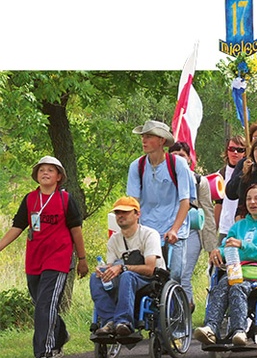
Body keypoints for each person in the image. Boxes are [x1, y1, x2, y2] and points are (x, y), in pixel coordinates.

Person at [0, 156, 88, 358]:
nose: (45, 173)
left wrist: (82, 259)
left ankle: (44, 353)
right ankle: (61, 334)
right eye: (42, 170)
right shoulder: (30, 199)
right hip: (34, 259)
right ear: (37, 176)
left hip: (58, 259)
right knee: (41, 304)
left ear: (59, 176)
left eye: (50, 170)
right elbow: (18, 226)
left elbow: (76, 230)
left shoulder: (65, 200)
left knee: (45, 305)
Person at [193, 184, 257, 346]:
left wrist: (242, 245)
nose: (252, 202)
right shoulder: (239, 225)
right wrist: (218, 251)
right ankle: (211, 328)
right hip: (235, 271)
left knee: (237, 287)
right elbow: (227, 245)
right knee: (220, 286)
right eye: (249, 199)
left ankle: (239, 330)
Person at [126, 120, 194, 284]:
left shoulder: (178, 164)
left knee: (175, 275)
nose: (144, 140)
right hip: (148, 228)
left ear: (162, 140)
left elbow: (185, 201)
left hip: (174, 228)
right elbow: (133, 202)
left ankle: (177, 307)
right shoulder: (137, 166)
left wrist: (174, 230)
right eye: (143, 136)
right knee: (149, 275)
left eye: (149, 136)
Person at [90, 196, 166, 337]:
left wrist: (123, 268)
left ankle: (124, 322)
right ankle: (110, 321)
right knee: (95, 278)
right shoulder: (114, 240)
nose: (120, 216)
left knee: (126, 275)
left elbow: (150, 269)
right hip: (126, 279)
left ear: (137, 214)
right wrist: (103, 271)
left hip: (151, 279)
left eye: (125, 212)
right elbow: (111, 266)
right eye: (118, 212)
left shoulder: (150, 234)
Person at [169, 141, 218, 312]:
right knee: (167, 275)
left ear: (189, 159)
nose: (178, 159)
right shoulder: (162, 179)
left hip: (191, 232)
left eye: (182, 155)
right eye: (174, 155)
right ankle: (174, 310)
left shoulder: (199, 182)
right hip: (166, 232)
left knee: (183, 273)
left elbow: (208, 213)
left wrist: (212, 248)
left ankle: (184, 311)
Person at [215, 135, 247, 241]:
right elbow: (218, 204)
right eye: (232, 149)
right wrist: (214, 228)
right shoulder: (220, 174)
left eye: (240, 150)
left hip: (246, 228)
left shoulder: (251, 173)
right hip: (226, 229)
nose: (235, 153)